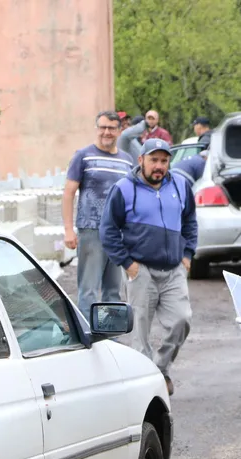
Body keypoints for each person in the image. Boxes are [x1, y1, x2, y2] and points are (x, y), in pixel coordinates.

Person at [100, 138, 198, 396]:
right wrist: (128, 264)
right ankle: (144, 386)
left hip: (174, 269)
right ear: (141, 160)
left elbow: (189, 222)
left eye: (164, 161)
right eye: (154, 160)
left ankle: (160, 369)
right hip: (140, 269)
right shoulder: (123, 189)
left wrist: (187, 255)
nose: (159, 166)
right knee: (139, 332)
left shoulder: (181, 185)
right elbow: (108, 231)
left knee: (181, 320)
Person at [62, 111, 135, 321]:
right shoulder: (83, 156)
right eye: (102, 127)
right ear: (97, 128)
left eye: (112, 128)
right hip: (91, 230)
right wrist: (68, 229)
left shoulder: (127, 162)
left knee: (113, 290)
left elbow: (130, 198)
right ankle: (89, 335)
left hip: (118, 234)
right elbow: (68, 193)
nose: (106, 132)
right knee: (89, 289)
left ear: (119, 131)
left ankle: (109, 335)